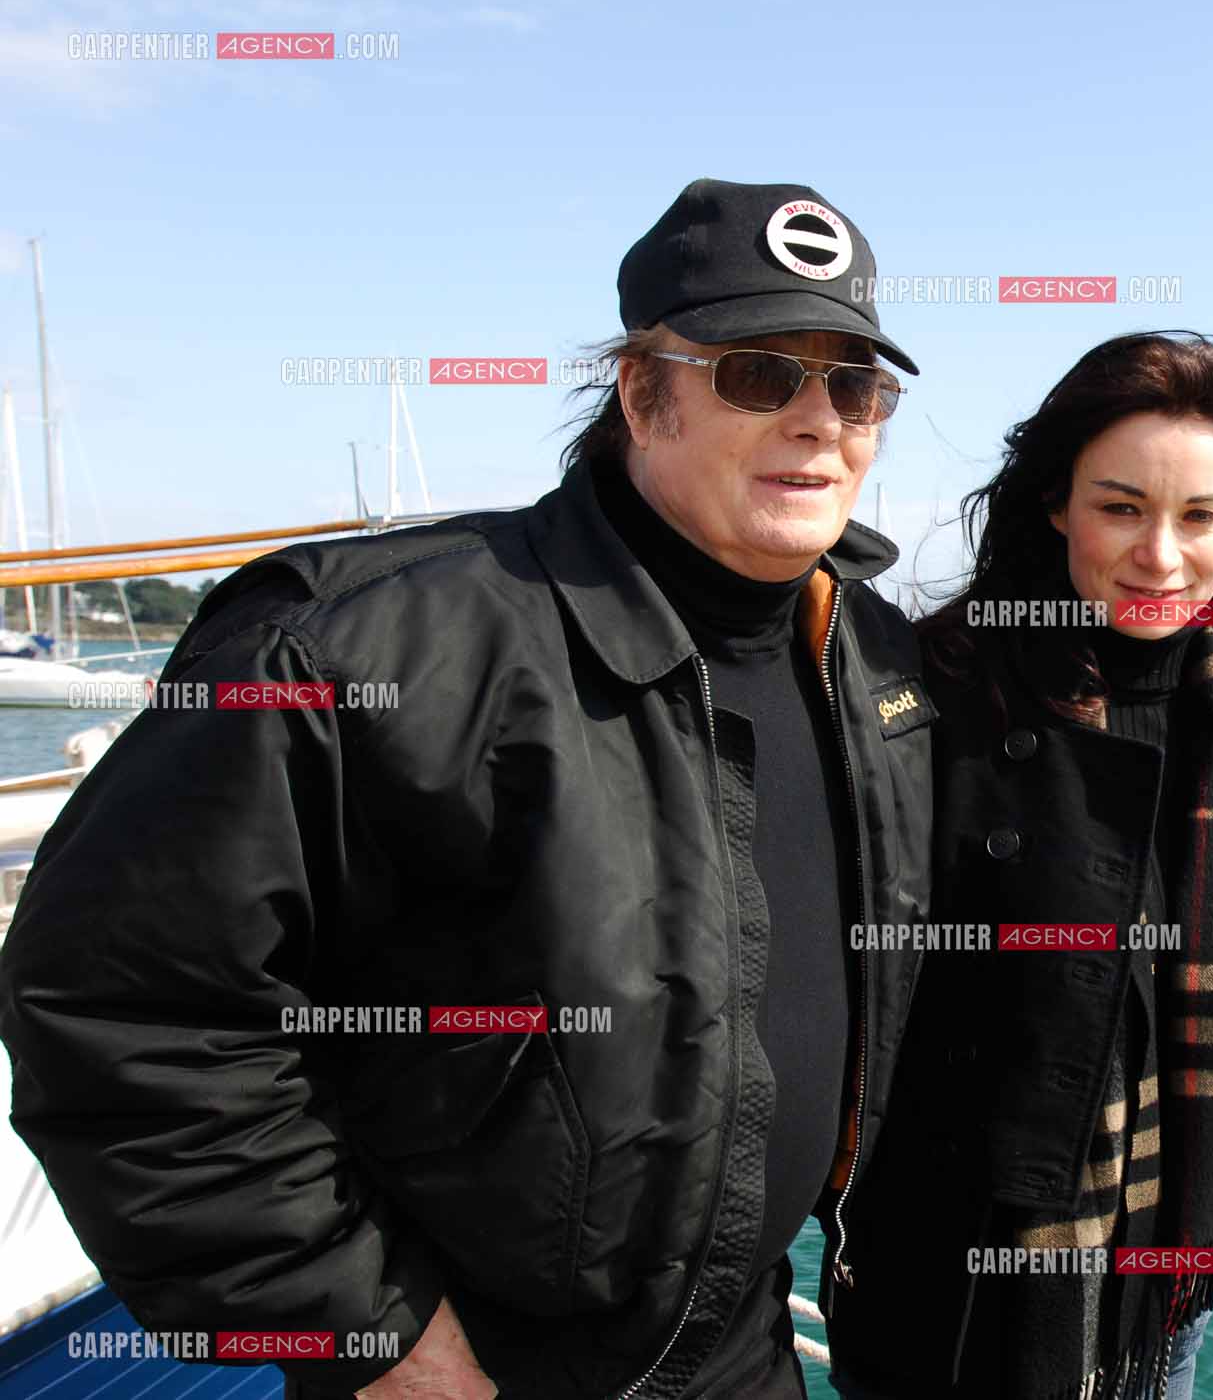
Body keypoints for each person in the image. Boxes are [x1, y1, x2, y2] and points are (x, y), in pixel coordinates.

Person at [0, 179, 934, 1400]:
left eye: (854, 388)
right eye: (761, 373)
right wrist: (361, 1329)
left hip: (741, 1355)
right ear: (641, 393)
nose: (819, 422)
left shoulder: (871, 663)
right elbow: (123, 1006)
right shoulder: (354, 645)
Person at [824, 332, 1213, 1400]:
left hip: (1169, 1273)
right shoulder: (933, 695)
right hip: (956, 1287)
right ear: (1054, 504)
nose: (1160, 555)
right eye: (1119, 507)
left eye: (1198, 517)